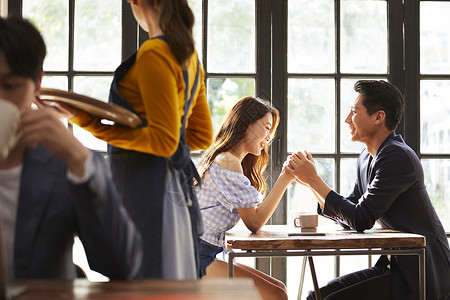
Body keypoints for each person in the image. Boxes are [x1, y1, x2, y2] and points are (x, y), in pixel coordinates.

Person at [70, 0, 213, 279]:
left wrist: (88, 120)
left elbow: (164, 141)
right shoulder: (189, 56)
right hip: (176, 195)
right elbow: (200, 135)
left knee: (143, 281)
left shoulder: (154, 53)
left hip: (146, 191)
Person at [0, 16, 143, 280]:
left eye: (9, 86)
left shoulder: (62, 162)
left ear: (37, 84)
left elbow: (123, 266)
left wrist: (80, 159)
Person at [286, 80, 450, 300]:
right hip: (395, 266)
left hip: (421, 272)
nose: (347, 119)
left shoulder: (396, 156)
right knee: (315, 296)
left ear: (378, 117)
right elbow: (352, 212)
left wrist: (315, 180)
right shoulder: (366, 158)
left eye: (354, 111)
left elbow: (361, 219)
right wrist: (309, 183)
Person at [196, 96, 295, 300]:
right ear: (247, 125)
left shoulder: (226, 159)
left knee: (280, 289)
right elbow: (255, 222)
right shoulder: (227, 162)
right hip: (194, 256)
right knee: (276, 294)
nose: (269, 137)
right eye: (267, 128)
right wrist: (286, 178)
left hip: (203, 251)